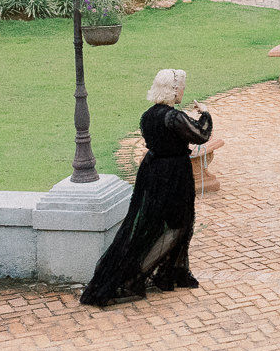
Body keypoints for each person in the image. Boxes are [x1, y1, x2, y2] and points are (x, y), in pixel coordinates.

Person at [80, 70, 212, 308]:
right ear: (173, 90)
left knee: (150, 224)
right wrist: (205, 113)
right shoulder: (174, 117)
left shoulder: (148, 116)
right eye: (181, 86)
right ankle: (137, 276)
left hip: (151, 172)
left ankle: (158, 272)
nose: (183, 90)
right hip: (173, 175)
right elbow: (201, 134)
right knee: (178, 225)